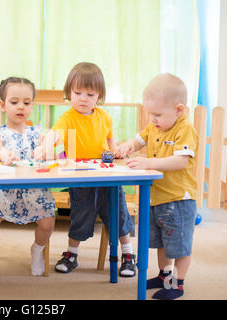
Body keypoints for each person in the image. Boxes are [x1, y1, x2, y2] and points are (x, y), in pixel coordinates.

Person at [34, 62, 137, 277]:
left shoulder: (104, 116)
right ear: (68, 93)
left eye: (89, 94)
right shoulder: (67, 118)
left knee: (118, 214)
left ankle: (128, 254)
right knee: (80, 215)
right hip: (80, 177)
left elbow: (110, 141)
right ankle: (71, 254)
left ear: (99, 96)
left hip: (106, 175)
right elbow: (54, 135)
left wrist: (115, 150)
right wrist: (44, 147)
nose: (83, 98)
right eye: (77, 92)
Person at [114, 73, 198, 300]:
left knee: (179, 245)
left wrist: (148, 162)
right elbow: (138, 140)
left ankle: (178, 283)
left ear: (179, 110)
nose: (152, 119)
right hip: (157, 198)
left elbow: (180, 161)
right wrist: (127, 146)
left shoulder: (184, 129)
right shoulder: (154, 127)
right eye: (150, 113)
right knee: (163, 242)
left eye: (158, 114)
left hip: (178, 199)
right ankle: (164, 276)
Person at [0, 77, 56, 286]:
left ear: (32, 106)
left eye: (27, 103)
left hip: (33, 189)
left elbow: (52, 142)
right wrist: (3, 154)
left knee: (48, 222)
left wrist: (44, 149)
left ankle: (37, 250)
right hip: (2, 189)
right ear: (2, 105)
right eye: (14, 102)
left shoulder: (36, 132)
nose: (21, 107)